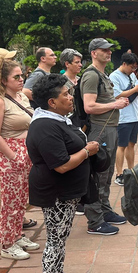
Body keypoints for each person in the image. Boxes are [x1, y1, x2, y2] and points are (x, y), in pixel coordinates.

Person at [27, 74, 104, 273]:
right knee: (54, 241)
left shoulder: (57, 119)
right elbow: (60, 165)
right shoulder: (44, 126)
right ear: (51, 102)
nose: (71, 98)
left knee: (60, 239)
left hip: (66, 192)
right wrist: (87, 150)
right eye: (65, 95)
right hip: (56, 193)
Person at [0, 50, 39, 259]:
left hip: (25, 154)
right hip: (10, 156)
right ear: (3, 80)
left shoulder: (20, 97)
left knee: (21, 200)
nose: (21, 79)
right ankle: (7, 243)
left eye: (21, 76)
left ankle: (17, 235)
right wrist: (13, 157)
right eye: (16, 77)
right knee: (10, 202)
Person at [81, 38, 129, 235]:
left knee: (107, 173)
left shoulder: (103, 75)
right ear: (94, 53)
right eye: (104, 50)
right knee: (98, 174)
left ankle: (104, 210)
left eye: (109, 50)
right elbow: (89, 106)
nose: (109, 53)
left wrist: (117, 100)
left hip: (109, 128)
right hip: (100, 129)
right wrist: (114, 105)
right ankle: (94, 220)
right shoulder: (91, 76)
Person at [109, 52, 138, 186]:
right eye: (131, 67)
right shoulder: (114, 76)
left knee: (131, 144)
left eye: (135, 68)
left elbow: (134, 94)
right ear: (124, 64)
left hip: (134, 116)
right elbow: (117, 95)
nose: (133, 70)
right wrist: (135, 89)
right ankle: (119, 174)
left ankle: (131, 170)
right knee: (121, 146)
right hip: (123, 117)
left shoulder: (131, 75)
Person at [59, 48, 86, 216]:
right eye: (76, 62)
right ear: (67, 64)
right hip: (66, 123)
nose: (80, 65)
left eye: (80, 62)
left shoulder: (82, 80)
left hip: (82, 122)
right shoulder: (59, 83)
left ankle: (81, 197)